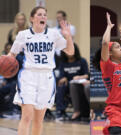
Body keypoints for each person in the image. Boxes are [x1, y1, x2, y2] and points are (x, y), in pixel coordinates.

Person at [8, 6, 74, 135]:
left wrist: (68, 36)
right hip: (28, 76)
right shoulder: (23, 35)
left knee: (38, 120)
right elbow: (12, 55)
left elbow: (70, 51)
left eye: (44, 15)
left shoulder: (53, 34)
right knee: (27, 117)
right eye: (39, 14)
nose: (43, 17)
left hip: (46, 78)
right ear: (32, 18)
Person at [55, 44, 89, 121]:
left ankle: (79, 111)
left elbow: (87, 75)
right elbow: (61, 77)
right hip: (67, 85)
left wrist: (80, 77)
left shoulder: (82, 61)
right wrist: (62, 78)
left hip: (79, 85)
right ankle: (60, 111)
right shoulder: (63, 63)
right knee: (61, 87)